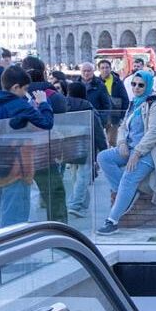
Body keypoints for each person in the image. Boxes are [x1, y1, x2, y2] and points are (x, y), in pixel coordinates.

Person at [96, 70, 156, 235]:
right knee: (103, 157)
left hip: (150, 151)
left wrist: (137, 152)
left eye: (141, 85)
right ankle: (127, 194)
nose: (136, 88)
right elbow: (123, 127)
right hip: (130, 147)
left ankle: (112, 220)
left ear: (148, 86)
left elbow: (154, 132)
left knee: (128, 177)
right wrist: (121, 142)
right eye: (133, 84)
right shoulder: (134, 103)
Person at [0, 64, 54, 227]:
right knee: (15, 219)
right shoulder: (19, 105)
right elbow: (47, 123)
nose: (25, 93)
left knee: (2, 213)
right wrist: (43, 103)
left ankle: (2, 240)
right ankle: (11, 243)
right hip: (17, 166)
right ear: (15, 87)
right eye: (24, 89)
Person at [20, 56, 71, 221]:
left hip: (19, 150)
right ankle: (59, 229)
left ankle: (23, 230)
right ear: (43, 72)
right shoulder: (53, 95)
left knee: (23, 196)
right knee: (55, 193)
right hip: (45, 150)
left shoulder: (17, 95)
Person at [60, 79, 109, 218]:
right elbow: (98, 130)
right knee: (83, 176)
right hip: (85, 145)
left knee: (75, 176)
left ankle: (82, 205)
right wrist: (103, 149)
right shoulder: (88, 107)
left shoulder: (63, 105)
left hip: (67, 145)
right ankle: (75, 204)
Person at [91, 58, 124, 143]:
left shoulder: (117, 82)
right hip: (100, 115)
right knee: (99, 140)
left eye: (107, 67)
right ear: (99, 69)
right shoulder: (95, 82)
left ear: (110, 68)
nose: (105, 70)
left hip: (114, 115)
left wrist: (122, 115)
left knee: (112, 141)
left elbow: (124, 98)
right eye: (102, 68)